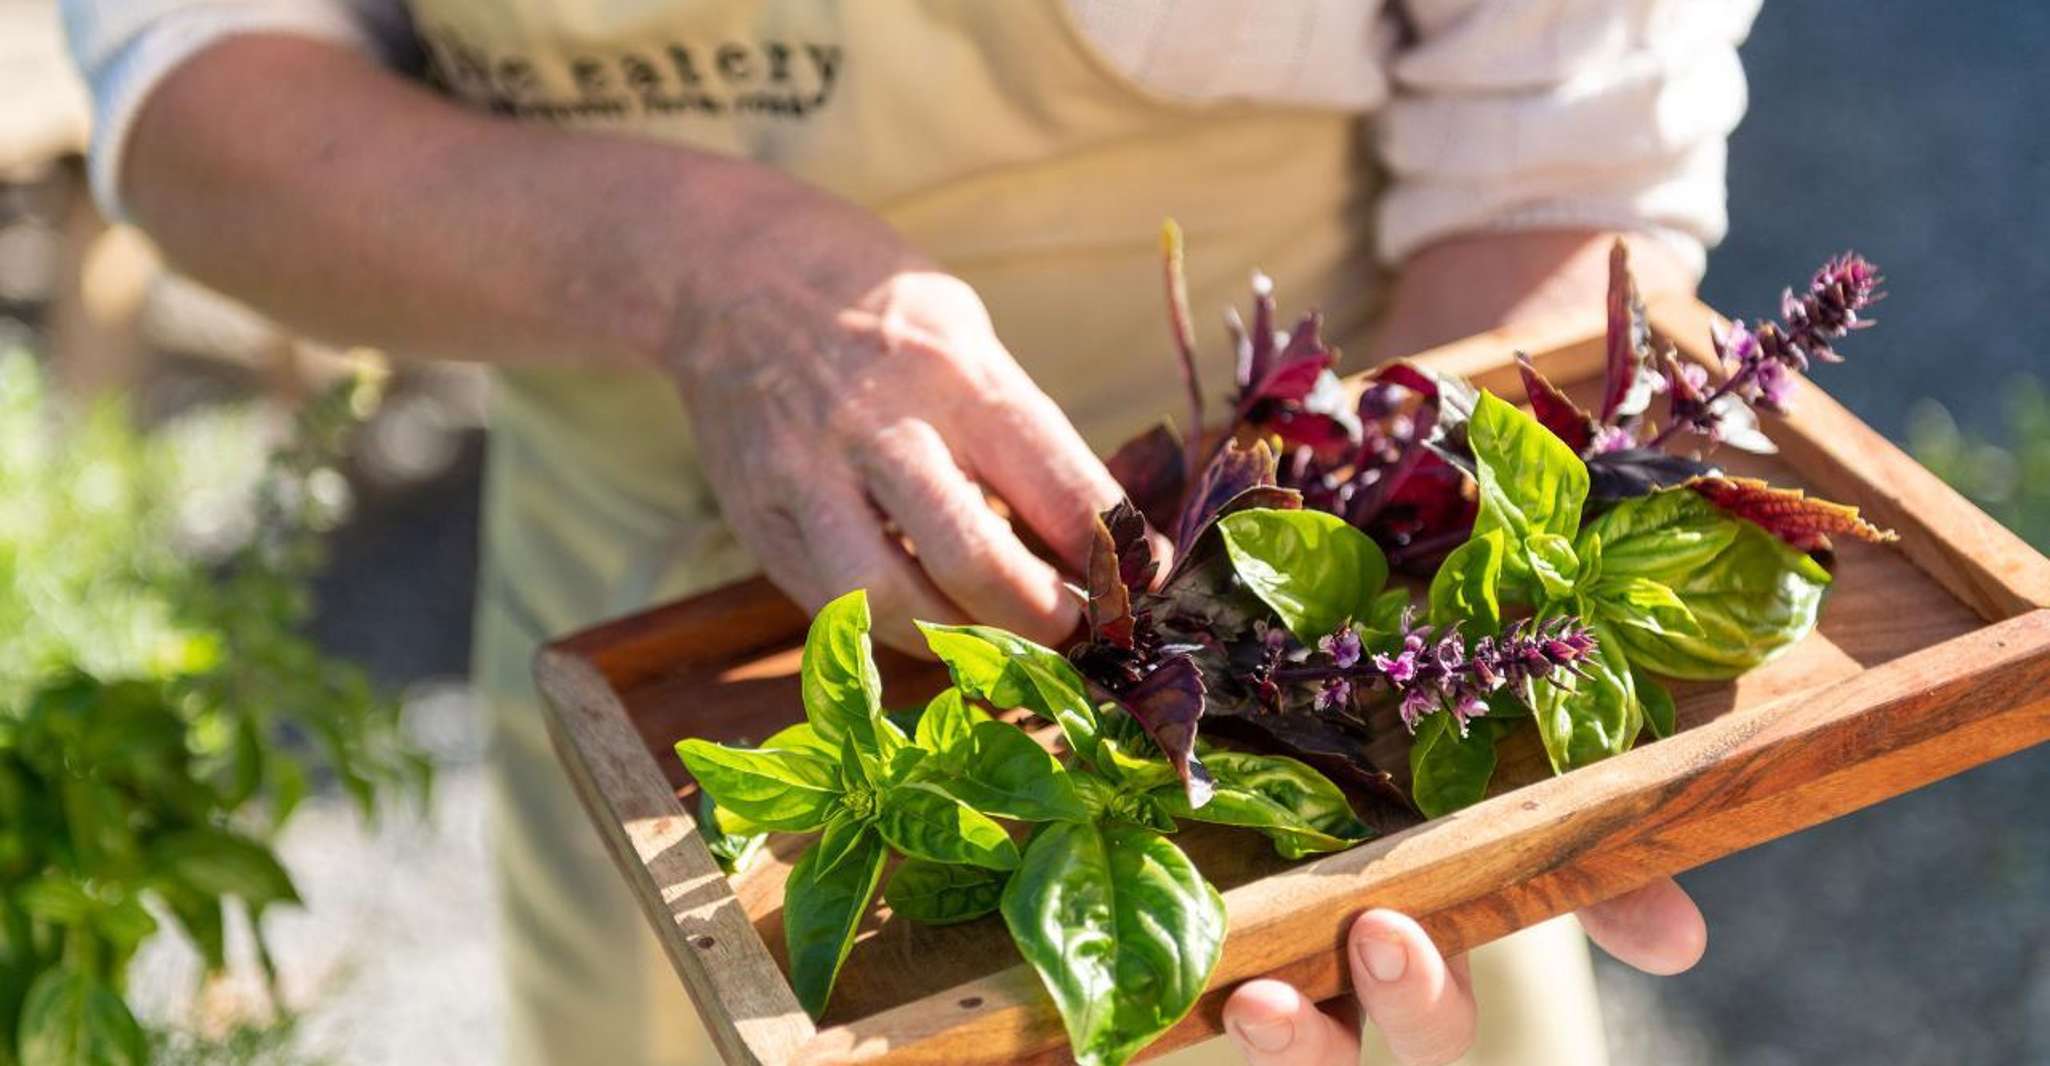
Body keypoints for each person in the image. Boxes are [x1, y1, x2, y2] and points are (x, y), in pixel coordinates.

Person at [61, 2, 1755, 1063]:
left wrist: (1336, 747)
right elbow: (194, 91)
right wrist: (689, 267)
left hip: (1310, 701)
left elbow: (1565, 165)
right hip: (681, 694)